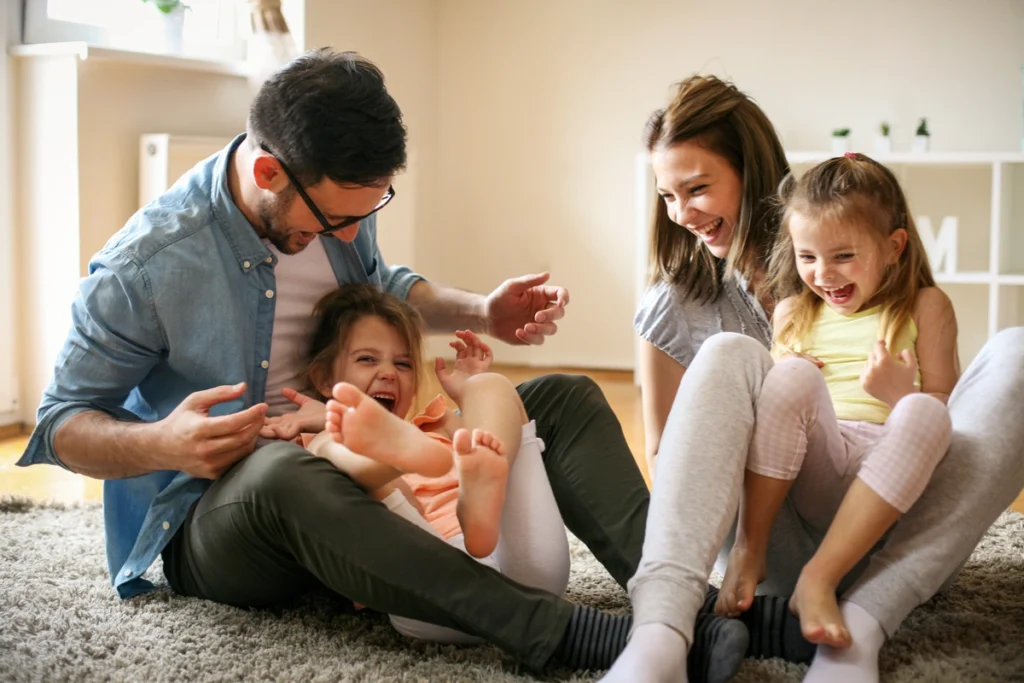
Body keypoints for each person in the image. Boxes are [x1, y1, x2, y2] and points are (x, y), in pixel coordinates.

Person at [16, 49, 743, 678]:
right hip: (226, 514)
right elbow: (59, 424)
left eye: (371, 209)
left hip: (359, 456)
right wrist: (162, 443)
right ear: (270, 170)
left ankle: (679, 605)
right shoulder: (144, 266)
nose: (354, 232)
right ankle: (570, 634)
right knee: (285, 474)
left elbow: (380, 286)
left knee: (565, 398)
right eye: (337, 219)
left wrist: (481, 311)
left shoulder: (334, 207)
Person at [604, 74, 1024, 683]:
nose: (682, 213)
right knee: (730, 354)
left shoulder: (838, 243)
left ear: (749, 172)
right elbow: (667, 457)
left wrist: (899, 396)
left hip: (897, 525)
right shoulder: (679, 303)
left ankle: (864, 625)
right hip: (772, 533)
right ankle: (660, 633)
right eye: (668, 196)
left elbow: (935, 421)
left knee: (1016, 352)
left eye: (697, 188)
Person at [715, 153, 958, 653]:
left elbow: (944, 409)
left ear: (894, 247)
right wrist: (785, 375)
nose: (824, 274)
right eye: (808, 257)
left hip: (889, 475)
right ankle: (750, 548)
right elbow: (773, 419)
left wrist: (898, 395)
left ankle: (818, 579)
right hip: (813, 467)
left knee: (923, 410)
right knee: (792, 377)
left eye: (843, 256)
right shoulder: (791, 311)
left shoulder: (924, 305)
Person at [287, 283, 572, 642]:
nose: (389, 372)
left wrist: (469, 388)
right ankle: (390, 457)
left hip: (524, 565)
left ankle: (480, 506)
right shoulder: (325, 438)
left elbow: (482, 418)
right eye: (367, 359)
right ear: (323, 379)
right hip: (429, 588)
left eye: (403, 363)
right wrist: (397, 454)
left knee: (492, 385)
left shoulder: (439, 425)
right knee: (332, 452)